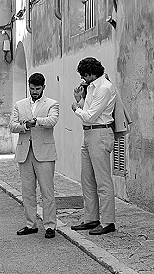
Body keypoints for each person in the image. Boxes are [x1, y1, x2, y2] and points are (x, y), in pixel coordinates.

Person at [70, 57, 117, 235]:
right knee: (87, 179)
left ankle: (107, 221)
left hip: (99, 133)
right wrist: (79, 100)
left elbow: (90, 116)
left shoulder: (104, 88)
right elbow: (89, 112)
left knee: (103, 180)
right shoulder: (92, 88)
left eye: (84, 75)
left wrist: (76, 108)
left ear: (91, 73)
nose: (83, 78)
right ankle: (91, 218)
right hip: (89, 133)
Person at [10, 73, 59, 239]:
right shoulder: (19, 104)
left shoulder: (52, 103)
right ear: (28, 87)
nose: (35, 91)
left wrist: (36, 121)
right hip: (25, 152)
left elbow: (52, 121)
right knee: (27, 191)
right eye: (32, 88)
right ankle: (30, 224)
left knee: (47, 191)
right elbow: (12, 126)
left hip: (44, 153)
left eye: (38, 89)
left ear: (43, 87)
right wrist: (24, 126)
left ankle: (50, 225)